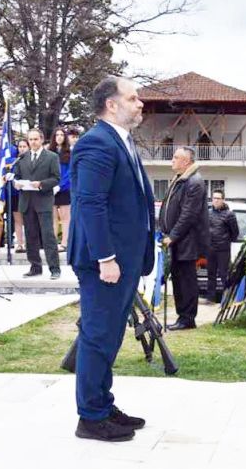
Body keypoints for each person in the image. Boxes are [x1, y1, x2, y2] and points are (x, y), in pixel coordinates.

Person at [68, 76, 155, 442]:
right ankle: (90, 416)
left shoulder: (122, 141)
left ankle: (102, 404)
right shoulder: (96, 143)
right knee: (98, 335)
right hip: (105, 261)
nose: (140, 104)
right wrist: (106, 257)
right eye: (133, 98)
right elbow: (91, 203)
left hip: (124, 259)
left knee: (110, 334)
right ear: (111, 104)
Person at [158, 146, 210, 330]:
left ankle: (187, 319)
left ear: (187, 161)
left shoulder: (194, 182)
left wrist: (173, 236)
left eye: (176, 157)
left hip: (188, 241)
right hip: (178, 241)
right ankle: (183, 317)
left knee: (186, 281)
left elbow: (189, 214)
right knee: (179, 280)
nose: (172, 160)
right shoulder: (181, 179)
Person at [12, 128, 61, 279]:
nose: (33, 142)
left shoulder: (51, 157)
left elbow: (56, 178)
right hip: (27, 201)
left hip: (43, 201)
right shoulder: (22, 158)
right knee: (30, 235)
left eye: (35, 139)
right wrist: (16, 184)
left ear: (41, 139)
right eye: (30, 140)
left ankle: (54, 268)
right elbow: (17, 177)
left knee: (48, 236)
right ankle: (35, 267)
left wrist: (41, 184)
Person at [206, 189, 238, 304]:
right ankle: (210, 299)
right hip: (210, 249)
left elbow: (235, 232)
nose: (216, 200)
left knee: (224, 274)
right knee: (211, 274)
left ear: (223, 200)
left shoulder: (229, 215)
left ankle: (227, 299)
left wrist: (226, 241)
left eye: (218, 198)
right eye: (214, 198)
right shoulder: (208, 213)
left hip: (223, 250)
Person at [50, 127, 72, 252]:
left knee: (65, 218)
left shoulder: (70, 152)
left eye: (61, 135)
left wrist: (60, 185)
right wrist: (51, 185)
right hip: (51, 188)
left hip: (64, 189)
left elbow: (70, 172)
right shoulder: (49, 152)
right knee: (52, 218)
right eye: (57, 134)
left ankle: (64, 243)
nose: (59, 137)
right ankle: (53, 244)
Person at [11, 139, 29, 253]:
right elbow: (14, 175)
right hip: (16, 193)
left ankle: (28, 243)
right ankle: (20, 243)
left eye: (24, 146)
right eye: (20, 146)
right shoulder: (15, 161)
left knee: (28, 220)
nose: (22, 148)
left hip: (29, 193)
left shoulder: (32, 159)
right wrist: (15, 181)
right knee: (18, 220)